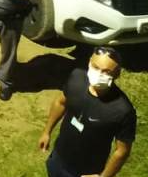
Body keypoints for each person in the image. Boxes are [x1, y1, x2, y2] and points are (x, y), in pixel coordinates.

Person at [38, 47, 136, 177]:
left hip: (86, 171)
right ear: (89, 62)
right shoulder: (76, 78)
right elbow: (60, 102)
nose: (99, 74)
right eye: (95, 67)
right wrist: (46, 132)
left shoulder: (122, 110)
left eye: (106, 72)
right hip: (58, 158)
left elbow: (122, 151)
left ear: (117, 74)